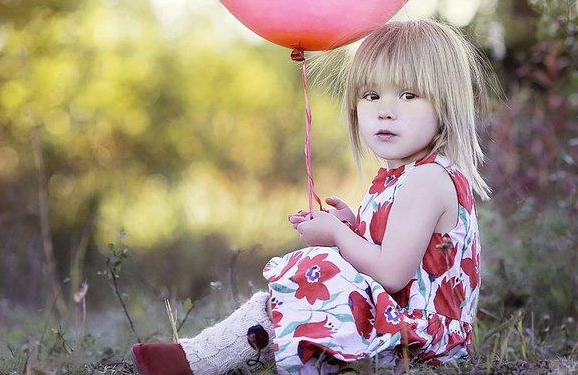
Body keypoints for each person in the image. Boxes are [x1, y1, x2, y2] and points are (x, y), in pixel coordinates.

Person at [133, 19, 493, 375]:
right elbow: (404, 252)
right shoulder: (409, 176)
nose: (385, 109)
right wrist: (354, 225)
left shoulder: (427, 179)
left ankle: (196, 362)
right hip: (401, 325)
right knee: (311, 279)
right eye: (371, 95)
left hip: (423, 340)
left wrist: (338, 237)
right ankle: (196, 359)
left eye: (409, 95)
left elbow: (392, 274)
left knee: (316, 267)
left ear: (445, 104)